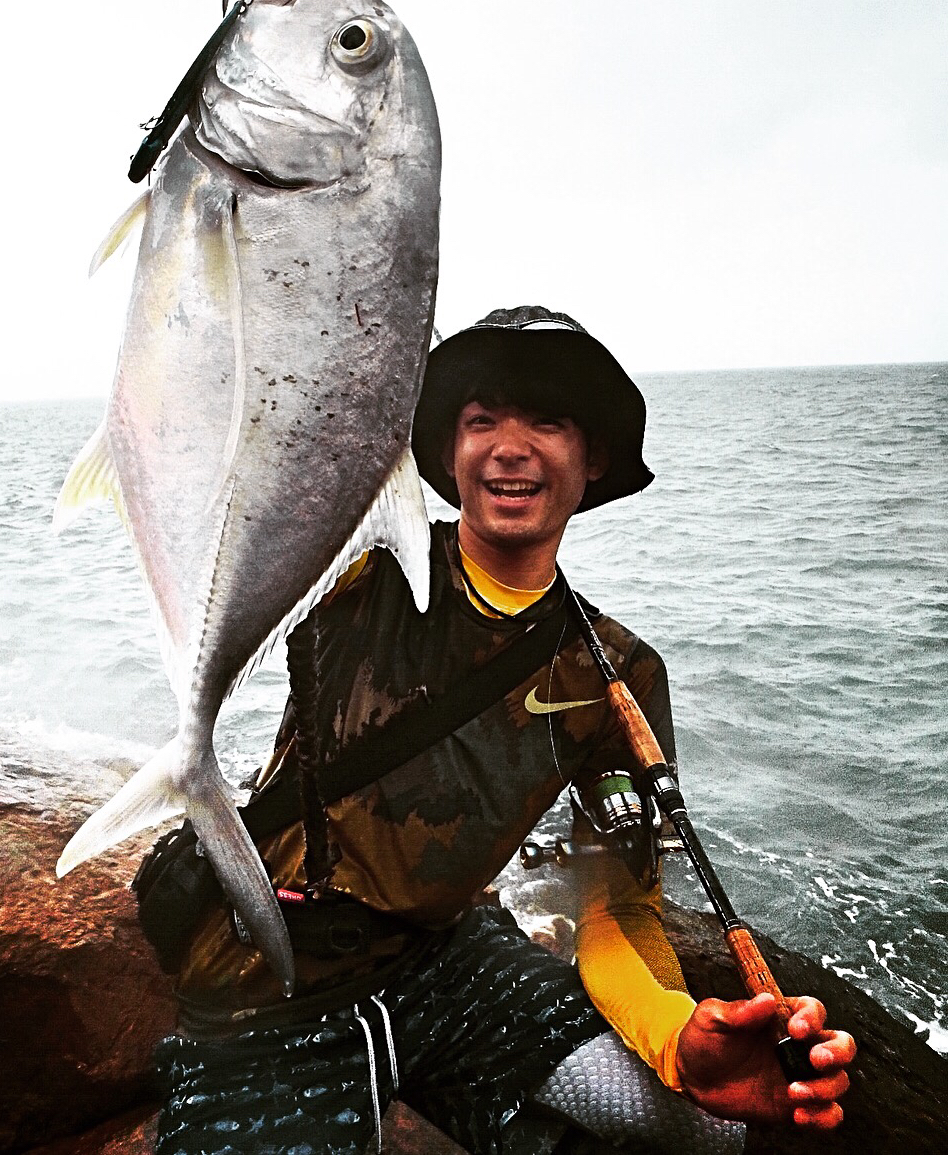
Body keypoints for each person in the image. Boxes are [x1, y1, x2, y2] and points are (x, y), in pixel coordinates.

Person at [142, 307, 855, 1155]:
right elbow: (237, 456)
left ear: (590, 461)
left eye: (547, 421)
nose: (510, 447)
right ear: (447, 454)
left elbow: (613, 903)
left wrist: (676, 1037)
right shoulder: (355, 567)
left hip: (445, 961)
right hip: (271, 977)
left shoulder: (617, 671)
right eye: (481, 419)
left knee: (714, 1129)